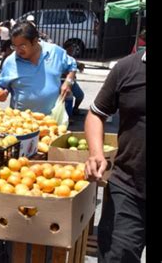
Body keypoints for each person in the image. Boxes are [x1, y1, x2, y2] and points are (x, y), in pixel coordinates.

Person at [84, 50, 146, 262]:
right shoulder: (127, 68)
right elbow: (96, 113)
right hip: (128, 189)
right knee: (116, 257)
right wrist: (96, 154)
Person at [0, 20, 78, 115]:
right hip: (21, 123)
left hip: (51, 121)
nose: (17, 51)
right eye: (14, 46)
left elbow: (72, 65)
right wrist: (0, 94)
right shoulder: (10, 62)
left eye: (22, 46)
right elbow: (2, 86)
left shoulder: (55, 52)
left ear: (35, 41)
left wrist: (68, 82)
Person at [63, 41, 85, 116]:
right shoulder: (62, 58)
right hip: (62, 81)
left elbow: (79, 65)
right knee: (68, 97)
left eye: (72, 50)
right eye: (69, 50)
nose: (71, 52)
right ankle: (68, 115)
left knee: (80, 95)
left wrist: (80, 65)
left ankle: (75, 109)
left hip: (71, 82)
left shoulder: (72, 59)